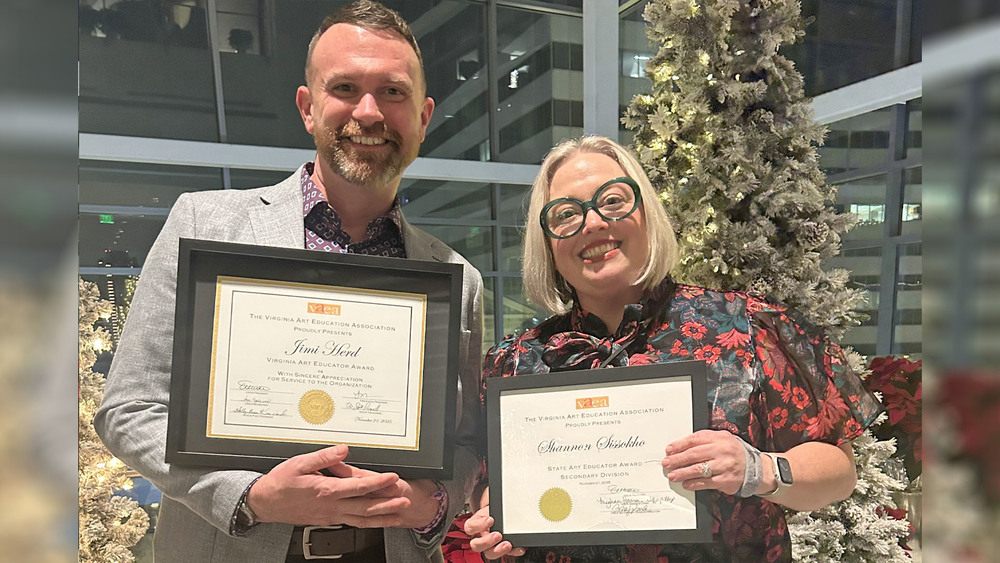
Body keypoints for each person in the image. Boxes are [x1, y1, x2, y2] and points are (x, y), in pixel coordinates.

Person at [95, 2, 485, 562]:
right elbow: (129, 408)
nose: (369, 112)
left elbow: (466, 443)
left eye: (393, 92)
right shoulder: (205, 224)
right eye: (345, 87)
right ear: (308, 108)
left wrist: (433, 503)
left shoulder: (456, 279)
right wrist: (250, 496)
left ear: (423, 115)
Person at [462, 136, 883, 562]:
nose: (591, 224)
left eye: (612, 201)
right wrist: (494, 517)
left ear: (647, 212)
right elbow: (484, 481)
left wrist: (759, 469)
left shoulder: (746, 326)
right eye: (566, 214)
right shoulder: (514, 361)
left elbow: (838, 470)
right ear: (549, 243)